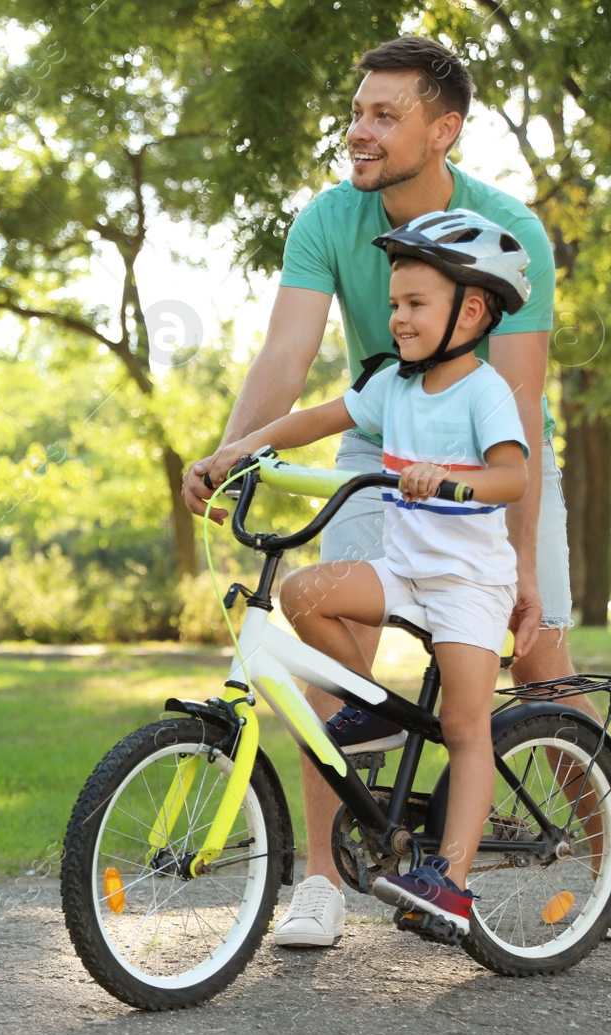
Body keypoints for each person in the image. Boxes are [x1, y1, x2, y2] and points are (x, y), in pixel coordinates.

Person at [182, 36, 611, 944]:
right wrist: (233, 451)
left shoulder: (507, 231)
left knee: (539, 647)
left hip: (490, 450)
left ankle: (609, 861)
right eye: (357, 112)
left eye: (383, 116)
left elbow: (513, 402)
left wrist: (518, 567)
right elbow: (287, 359)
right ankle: (320, 878)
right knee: (327, 638)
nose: (359, 130)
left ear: (444, 131)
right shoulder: (327, 219)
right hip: (380, 442)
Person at [224, 208, 529, 934]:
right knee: (304, 593)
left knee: (462, 724)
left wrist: (453, 482)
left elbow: (512, 477)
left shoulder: (483, 391)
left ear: (472, 308)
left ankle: (450, 880)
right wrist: (241, 449)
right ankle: (370, 712)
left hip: (467, 585)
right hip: (404, 569)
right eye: (394, 304)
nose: (397, 318)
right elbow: (315, 419)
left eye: (415, 304)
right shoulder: (392, 383)